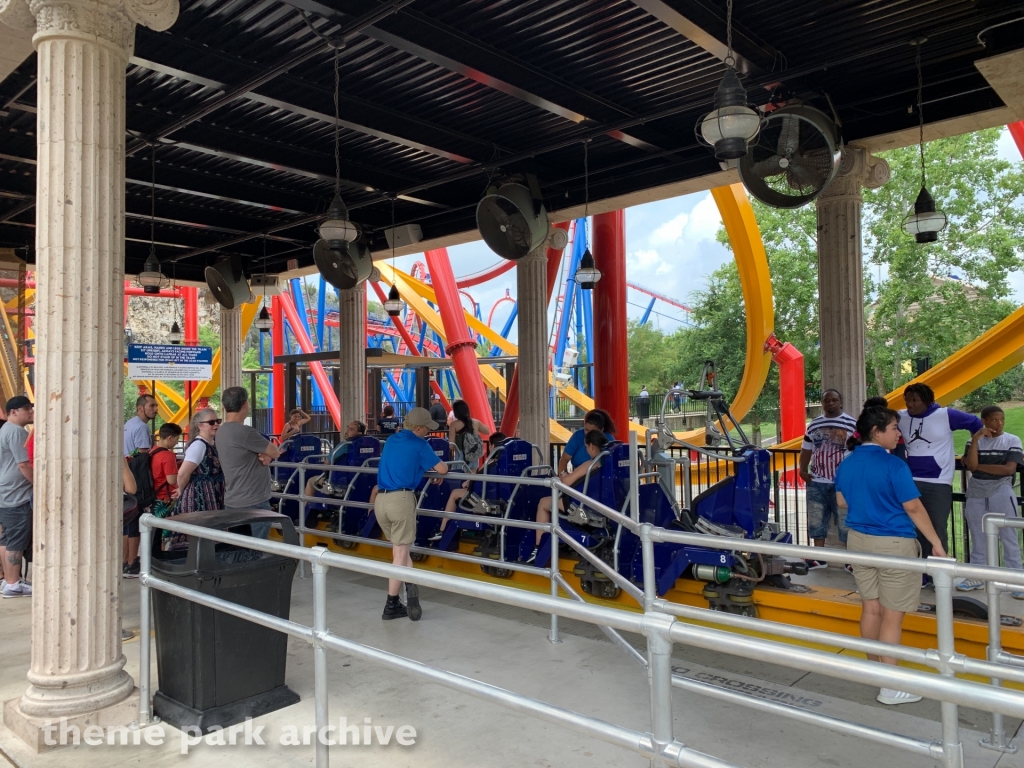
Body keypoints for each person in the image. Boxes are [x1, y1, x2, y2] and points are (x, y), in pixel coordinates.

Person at [835, 406, 947, 705]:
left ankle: (878, 673)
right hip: (893, 543)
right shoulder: (894, 466)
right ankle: (891, 686)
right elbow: (913, 507)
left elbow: (842, 501)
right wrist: (936, 543)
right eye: (895, 428)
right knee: (892, 616)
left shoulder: (846, 463)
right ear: (877, 431)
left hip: (858, 541)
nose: (900, 433)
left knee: (871, 609)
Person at [375, 407, 448, 621]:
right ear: (417, 428)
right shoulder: (420, 444)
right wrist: (433, 473)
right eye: (427, 428)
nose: (429, 432)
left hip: (381, 501)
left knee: (401, 551)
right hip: (401, 500)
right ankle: (391, 604)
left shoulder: (391, 440)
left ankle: (410, 586)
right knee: (399, 555)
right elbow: (442, 469)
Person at [898, 383, 982, 561]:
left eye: (915, 400)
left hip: (938, 482)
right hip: (909, 480)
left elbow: (976, 424)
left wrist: (971, 452)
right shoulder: (900, 417)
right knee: (911, 528)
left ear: (927, 400)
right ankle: (919, 572)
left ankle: (938, 574)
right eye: (907, 400)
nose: (909, 404)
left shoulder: (946, 415)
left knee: (936, 528)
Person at [957, 406, 1024, 595]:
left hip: (1001, 490)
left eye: (1002, 419)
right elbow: (971, 466)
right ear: (984, 421)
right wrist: (977, 440)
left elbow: (1008, 469)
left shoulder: (1012, 440)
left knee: (1008, 535)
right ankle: (977, 576)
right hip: (977, 491)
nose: (999, 423)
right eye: (994, 420)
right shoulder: (973, 442)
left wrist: (979, 467)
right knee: (978, 535)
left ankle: (1016, 580)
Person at [529, 430, 608, 564]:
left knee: (543, 503)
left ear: (592, 446)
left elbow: (566, 482)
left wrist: (563, 473)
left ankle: (538, 547)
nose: (587, 449)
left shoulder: (590, 464)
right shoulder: (604, 464)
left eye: (586, 447)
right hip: (594, 503)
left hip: (576, 505)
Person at [799, 389, 857, 569]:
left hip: (842, 483)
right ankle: (818, 557)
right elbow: (806, 448)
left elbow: (859, 452)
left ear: (841, 402)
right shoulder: (814, 424)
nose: (830, 403)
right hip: (817, 481)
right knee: (816, 521)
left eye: (834, 400)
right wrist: (802, 469)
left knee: (846, 522)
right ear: (822, 403)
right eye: (826, 400)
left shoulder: (852, 424)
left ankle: (851, 561)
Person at [216, 387, 282, 539]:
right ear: (245, 404)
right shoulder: (245, 432)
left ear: (224, 407)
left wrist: (265, 455)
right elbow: (275, 451)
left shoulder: (221, 431)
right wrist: (267, 456)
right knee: (256, 548)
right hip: (253, 501)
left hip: (233, 499)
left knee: (237, 548)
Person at [429, 432, 506, 541]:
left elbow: (476, 483)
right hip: (499, 502)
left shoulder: (489, 463)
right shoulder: (503, 465)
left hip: (483, 505)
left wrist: (467, 483)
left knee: (455, 493)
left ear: (493, 446)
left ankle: (442, 529)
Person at [171, 409, 226, 552]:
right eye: (211, 422)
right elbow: (183, 473)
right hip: (199, 496)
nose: (216, 425)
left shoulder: (210, 444)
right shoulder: (199, 445)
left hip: (211, 495)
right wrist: (181, 490)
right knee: (199, 535)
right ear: (200, 426)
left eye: (217, 421)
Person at [0, 396, 33, 598]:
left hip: (5, 492)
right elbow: (23, 464)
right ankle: (13, 584)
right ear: (14, 412)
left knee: (6, 538)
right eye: (27, 408)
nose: (30, 412)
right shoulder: (17, 432)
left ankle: (8, 581)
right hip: (16, 494)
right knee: (17, 540)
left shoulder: (5, 430)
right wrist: (38, 484)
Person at [304, 420, 367, 498]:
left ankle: (303, 508)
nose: (347, 431)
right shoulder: (368, 446)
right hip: (363, 481)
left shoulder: (344, 446)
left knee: (311, 481)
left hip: (338, 483)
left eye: (351, 430)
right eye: (348, 428)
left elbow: (327, 463)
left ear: (359, 433)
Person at [146, 423, 182, 556]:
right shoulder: (168, 455)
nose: (176, 443)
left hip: (154, 497)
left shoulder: (152, 451)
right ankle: (161, 557)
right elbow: (172, 480)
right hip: (165, 499)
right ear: (169, 438)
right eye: (176, 440)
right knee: (164, 535)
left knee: (154, 532)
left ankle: (153, 557)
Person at [559, 409, 615, 477]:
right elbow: (564, 459)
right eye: (586, 430)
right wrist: (563, 473)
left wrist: (564, 477)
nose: (588, 434)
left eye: (592, 432)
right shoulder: (578, 436)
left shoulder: (610, 439)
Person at [448, 399, 488, 467]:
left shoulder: (454, 425)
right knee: (472, 476)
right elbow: (487, 431)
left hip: (461, 456)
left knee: (460, 476)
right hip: (474, 455)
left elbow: (451, 444)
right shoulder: (476, 422)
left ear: (456, 412)